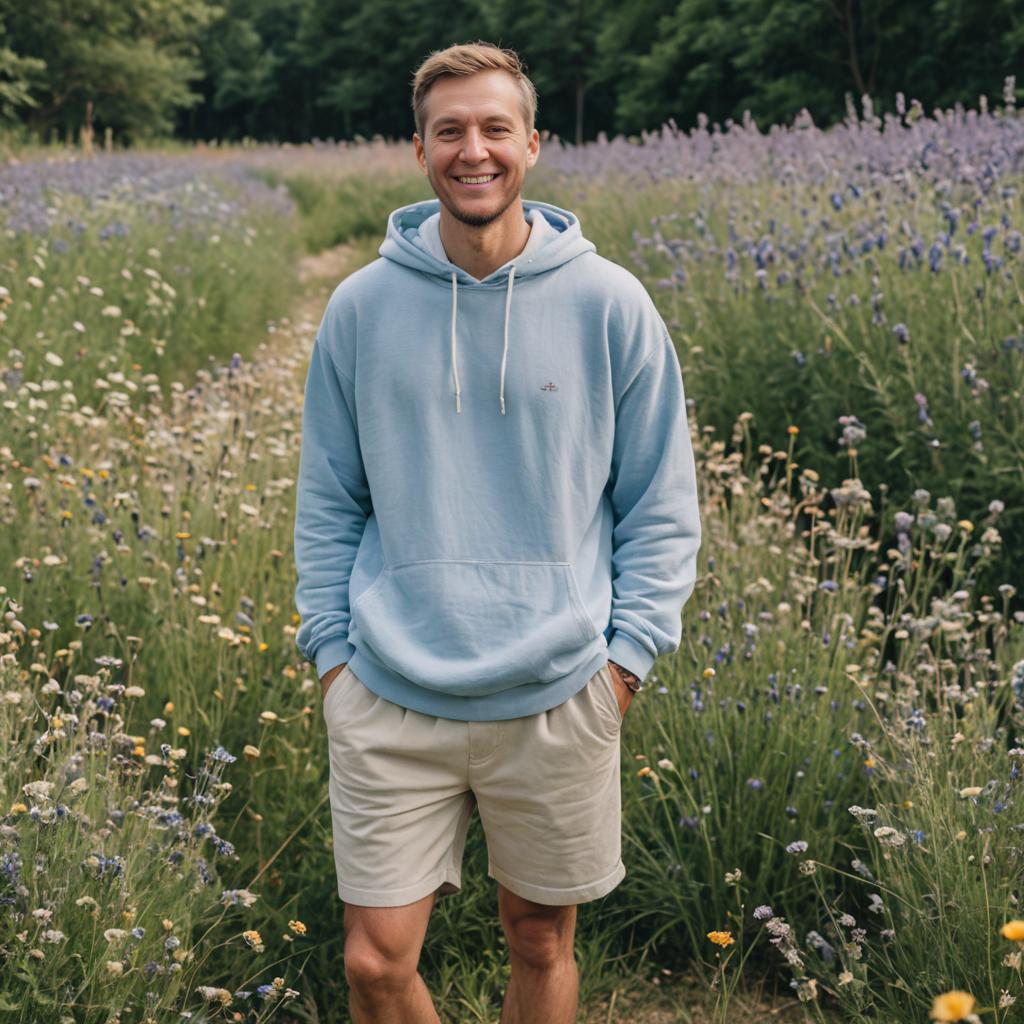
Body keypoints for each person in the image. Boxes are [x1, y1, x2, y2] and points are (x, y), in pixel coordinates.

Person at [293, 40, 702, 1024]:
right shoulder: (359, 308)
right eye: (448, 131)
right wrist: (332, 656)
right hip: (389, 688)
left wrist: (626, 660)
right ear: (419, 149)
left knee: (538, 935)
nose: (471, 150)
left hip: (560, 683)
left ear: (532, 143)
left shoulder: (610, 303)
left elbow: (659, 499)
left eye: (492, 129)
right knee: (373, 963)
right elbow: (328, 500)